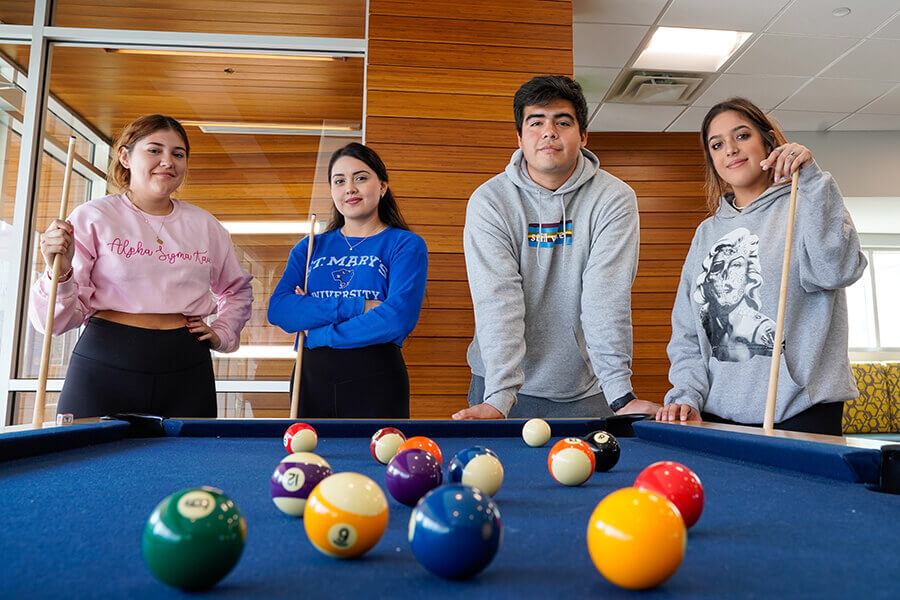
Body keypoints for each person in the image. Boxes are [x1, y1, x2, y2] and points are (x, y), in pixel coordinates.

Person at [657, 97, 866, 435]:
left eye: (742, 136)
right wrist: (687, 394)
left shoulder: (806, 203)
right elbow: (688, 334)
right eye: (717, 144)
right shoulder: (707, 232)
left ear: (769, 142)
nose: (730, 150)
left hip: (802, 410)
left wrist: (811, 179)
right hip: (716, 414)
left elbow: (838, 270)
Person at [454, 74, 658, 420]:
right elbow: (497, 299)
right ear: (519, 138)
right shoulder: (490, 201)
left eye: (563, 122)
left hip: (588, 388)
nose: (549, 132)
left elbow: (605, 296)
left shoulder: (614, 198)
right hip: (498, 388)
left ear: (583, 136)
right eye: (536, 122)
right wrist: (500, 396)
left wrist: (620, 395)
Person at [30, 114, 253, 418]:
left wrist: (223, 332)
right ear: (124, 156)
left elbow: (237, 291)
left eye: (178, 154)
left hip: (186, 362)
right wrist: (63, 271)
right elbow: (53, 323)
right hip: (106, 358)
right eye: (154, 150)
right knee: (87, 461)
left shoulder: (206, 225)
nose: (167, 161)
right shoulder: (92, 217)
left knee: (190, 465)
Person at [268, 143, 427, 418]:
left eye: (360, 178)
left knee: (377, 459)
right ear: (332, 191)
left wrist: (317, 330)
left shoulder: (405, 244)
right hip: (310, 377)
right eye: (339, 181)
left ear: (382, 186)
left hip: (376, 376)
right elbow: (280, 310)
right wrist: (360, 306)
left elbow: (397, 319)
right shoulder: (309, 248)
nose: (349, 188)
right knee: (309, 460)